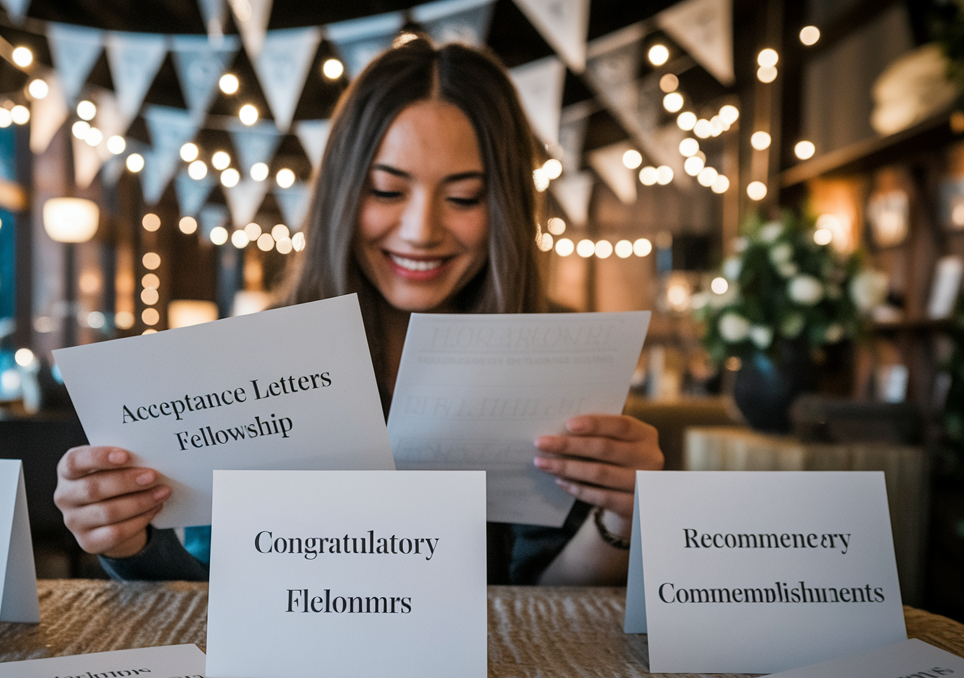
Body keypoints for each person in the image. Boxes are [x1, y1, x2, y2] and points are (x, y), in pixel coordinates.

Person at [54, 38, 664, 585]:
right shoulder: (254, 359)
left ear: (504, 205)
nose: (421, 230)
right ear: (345, 194)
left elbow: (550, 606)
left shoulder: (555, 357)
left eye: (463, 197)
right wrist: (127, 541)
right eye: (388, 191)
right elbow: (219, 591)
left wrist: (623, 514)